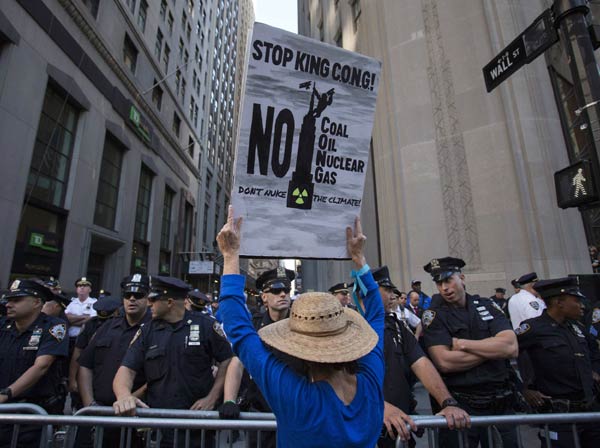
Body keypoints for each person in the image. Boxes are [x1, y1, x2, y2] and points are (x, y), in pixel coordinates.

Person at [216, 208, 384, 447]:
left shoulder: (296, 398)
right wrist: (360, 261)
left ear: (303, 352)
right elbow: (377, 315)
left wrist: (230, 255)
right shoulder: (371, 377)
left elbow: (239, 332)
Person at [112, 275, 233, 447]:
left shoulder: (205, 325)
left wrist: (212, 397)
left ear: (169, 302)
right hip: (158, 425)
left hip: (197, 426)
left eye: (153, 300)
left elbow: (228, 360)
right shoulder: (147, 331)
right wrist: (124, 395)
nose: (148, 304)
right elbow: (126, 370)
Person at [422, 257, 519, 448]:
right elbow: (445, 362)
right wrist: (492, 349)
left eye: (448, 280)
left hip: (500, 403)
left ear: (462, 278)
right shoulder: (434, 315)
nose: (444, 288)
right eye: (439, 283)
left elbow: (510, 347)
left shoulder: (487, 305)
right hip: (463, 406)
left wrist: (464, 344)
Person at [370, 266, 469, 447]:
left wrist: (447, 402)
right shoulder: (350, 328)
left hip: (399, 428)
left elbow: (421, 362)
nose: (393, 295)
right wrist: (377, 406)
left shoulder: (396, 326)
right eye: (387, 290)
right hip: (365, 430)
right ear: (369, 290)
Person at [219, 267, 299, 447]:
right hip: (261, 412)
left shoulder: (301, 323)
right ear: (264, 297)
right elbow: (237, 363)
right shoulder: (254, 325)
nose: (283, 294)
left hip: (296, 410)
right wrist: (229, 400)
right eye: (276, 291)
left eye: (286, 290)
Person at [516, 277, 600, 447]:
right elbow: (505, 355)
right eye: (576, 300)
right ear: (559, 302)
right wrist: (523, 388)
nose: (582, 305)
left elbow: (594, 354)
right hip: (558, 417)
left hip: (590, 412)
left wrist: (596, 372)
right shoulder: (533, 329)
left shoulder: (577, 327)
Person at [77, 274, 151, 447]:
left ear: (148, 298)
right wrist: (91, 405)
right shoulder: (107, 326)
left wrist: (127, 400)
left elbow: (159, 374)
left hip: (134, 414)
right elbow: (86, 365)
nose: (132, 299)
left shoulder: (156, 329)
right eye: (127, 295)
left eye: (139, 295)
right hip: (98, 412)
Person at [0, 279, 69, 447]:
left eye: (17, 300)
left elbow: (41, 366)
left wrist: (5, 394)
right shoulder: (3, 326)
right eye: (9, 300)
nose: (9, 305)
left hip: (30, 416)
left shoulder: (54, 327)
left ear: (37, 302)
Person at [68, 294, 121, 407]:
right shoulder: (91, 324)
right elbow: (78, 352)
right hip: (89, 375)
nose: (103, 324)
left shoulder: (122, 325)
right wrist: (72, 379)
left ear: (116, 313)